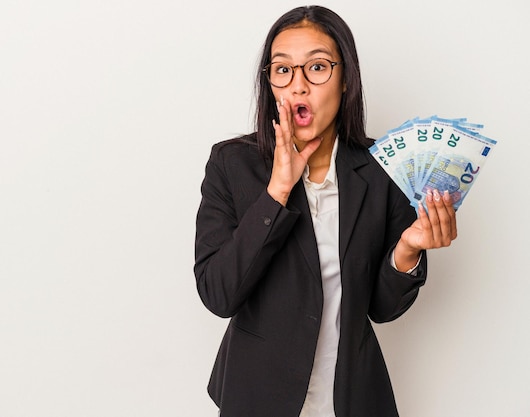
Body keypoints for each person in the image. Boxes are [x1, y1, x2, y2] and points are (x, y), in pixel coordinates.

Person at [194, 5, 457, 417]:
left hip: (351, 398)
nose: (298, 86)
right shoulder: (231, 165)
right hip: (259, 396)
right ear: (270, 84)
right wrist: (277, 191)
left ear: (347, 80)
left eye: (317, 68)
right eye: (282, 70)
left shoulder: (381, 168)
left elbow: (382, 309)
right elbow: (218, 294)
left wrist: (408, 249)